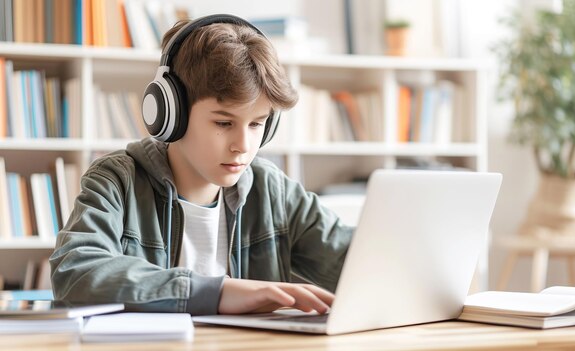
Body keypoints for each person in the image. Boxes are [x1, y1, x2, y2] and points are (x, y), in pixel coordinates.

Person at [49, 14, 353, 316]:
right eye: (223, 122)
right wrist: (217, 292)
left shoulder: (274, 191)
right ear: (171, 114)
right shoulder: (116, 181)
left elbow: (361, 263)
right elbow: (75, 273)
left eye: (257, 124)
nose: (243, 146)